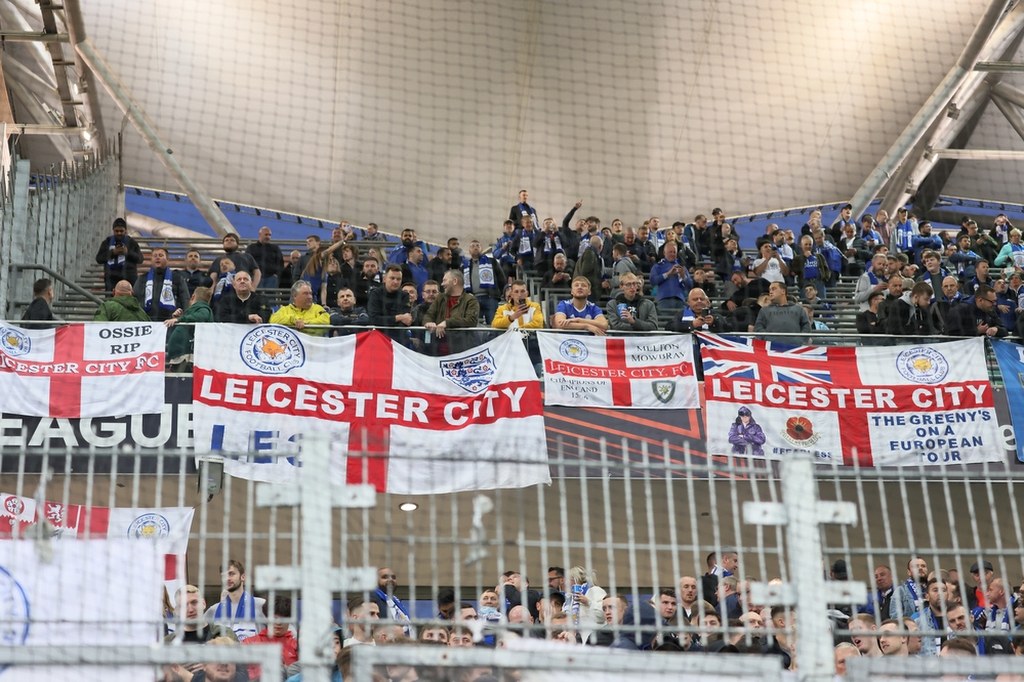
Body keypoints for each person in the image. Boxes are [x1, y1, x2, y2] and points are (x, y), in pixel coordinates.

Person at [204, 560, 267, 642]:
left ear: (243, 577)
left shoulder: (261, 605)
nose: (227, 578)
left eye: (231, 574)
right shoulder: (214, 610)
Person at [423, 269, 481, 354]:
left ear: (455, 281)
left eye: (444, 280)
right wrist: (428, 322)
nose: (442, 284)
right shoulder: (440, 298)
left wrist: (447, 323)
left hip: (461, 351)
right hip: (437, 351)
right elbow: (429, 314)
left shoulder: (471, 300)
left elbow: (471, 320)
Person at [242, 596, 299, 681]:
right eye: (274, 618)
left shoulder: (297, 647)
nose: (278, 623)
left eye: (283, 619)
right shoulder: (248, 643)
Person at [134, 247, 191, 322]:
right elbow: (134, 299)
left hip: (171, 321)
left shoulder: (177, 278)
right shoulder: (142, 278)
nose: (157, 258)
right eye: (155, 256)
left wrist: (181, 317)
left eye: (161, 255)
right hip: (146, 321)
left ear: (167, 259)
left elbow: (185, 300)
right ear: (151, 260)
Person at [166, 287, 214, 368]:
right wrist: (180, 318)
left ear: (193, 297)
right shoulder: (195, 310)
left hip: (187, 357)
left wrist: (180, 319)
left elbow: (202, 316)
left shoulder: (203, 308)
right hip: (181, 356)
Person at [463, 239, 506, 324]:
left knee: (493, 323)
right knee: (475, 324)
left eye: (477, 246)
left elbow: (501, 278)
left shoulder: (492, 261)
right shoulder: (466, 265)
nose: (475, 247)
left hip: (490, 297)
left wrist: (498, 293)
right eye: (472, 246)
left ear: (482, 249)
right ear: (469, 250)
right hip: (473, 299)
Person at [95, 217, 142, 291]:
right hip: (111, 278)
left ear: (125, 231)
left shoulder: (132, 242)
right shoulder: (107, 242)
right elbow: (99, 259)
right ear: (113, 230)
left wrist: (128, 252)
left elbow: (140, 259)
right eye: (116, 231)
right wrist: (112, 252)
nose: (119, 233)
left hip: (129, 277)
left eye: (121, 231)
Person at [368, 265, 413, 342]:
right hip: (379, 338)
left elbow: (406, 321)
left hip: (399, 339)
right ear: (384, 279)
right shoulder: (375, 294)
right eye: (392, 278)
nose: (395, 282)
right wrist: (398, 317)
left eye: (398, 279)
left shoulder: (404, 296)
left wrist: (386, 319)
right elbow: (374, 319)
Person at [944, 285, 1008, 338]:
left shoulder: (990, 310)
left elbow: (1005, 330)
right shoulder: (960, 310)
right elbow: (950, 333)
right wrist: (976, 331)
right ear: (980, 300)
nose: (995, 304)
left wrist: (997, 329)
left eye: (995, 301)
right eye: (992, 301)